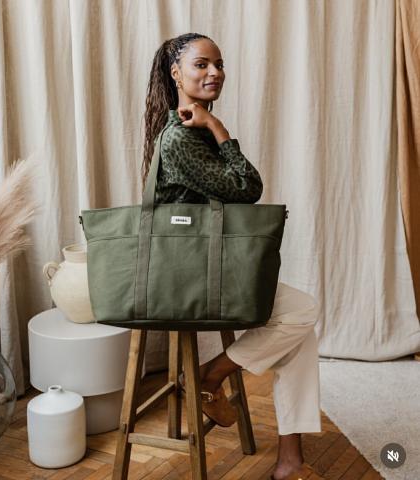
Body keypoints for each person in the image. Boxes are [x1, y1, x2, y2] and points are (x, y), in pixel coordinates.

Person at [142, 32, 321, 480]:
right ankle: (210, 375)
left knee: (301, 331)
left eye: (219, 64)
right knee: (303, 312)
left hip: (209, 268)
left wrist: (210, 126)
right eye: (202, 64)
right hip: (189, 280)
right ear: (176, 73)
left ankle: (290, 460)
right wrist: (218, 127)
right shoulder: (180, 139)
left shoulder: (194, 132)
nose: (215, 73)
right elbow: (248, 187)